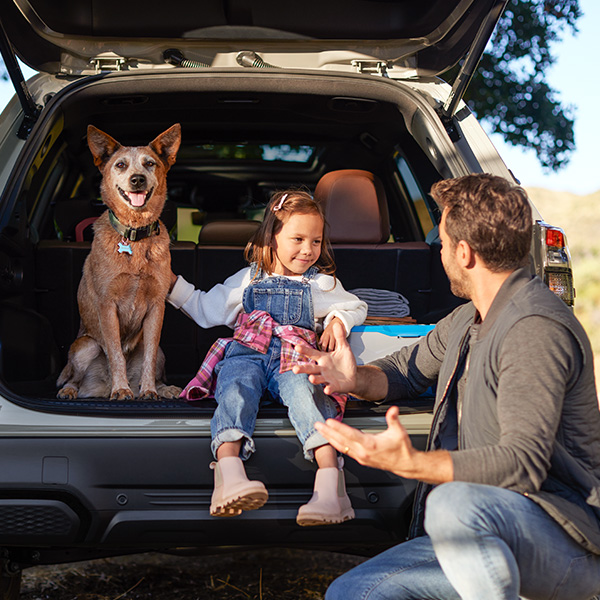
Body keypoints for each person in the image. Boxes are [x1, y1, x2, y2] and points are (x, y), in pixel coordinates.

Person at [293, 174, 600, 599]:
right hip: (485, 531)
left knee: (453, 503)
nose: (439, 253)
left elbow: (522, 464)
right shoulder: (465, 320)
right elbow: (405, 372)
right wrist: (353, 378)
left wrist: (412, 463)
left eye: (441, 243)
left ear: (464, 252)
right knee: (354, 593)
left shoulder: (534, 327)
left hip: (563, 540)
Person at [167, 190, 367, 526]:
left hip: (293, 356)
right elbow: (204, 308)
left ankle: (331, 487)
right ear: (271, 236)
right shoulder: (248, 278)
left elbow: (356, 305)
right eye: (298, 238)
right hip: (248, 352)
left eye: (316, 241)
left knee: (308, 396)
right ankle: (230, 476)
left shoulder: (321, 283)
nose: (308, 249)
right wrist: (168, 283)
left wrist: (337, 320)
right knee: (234, 389)